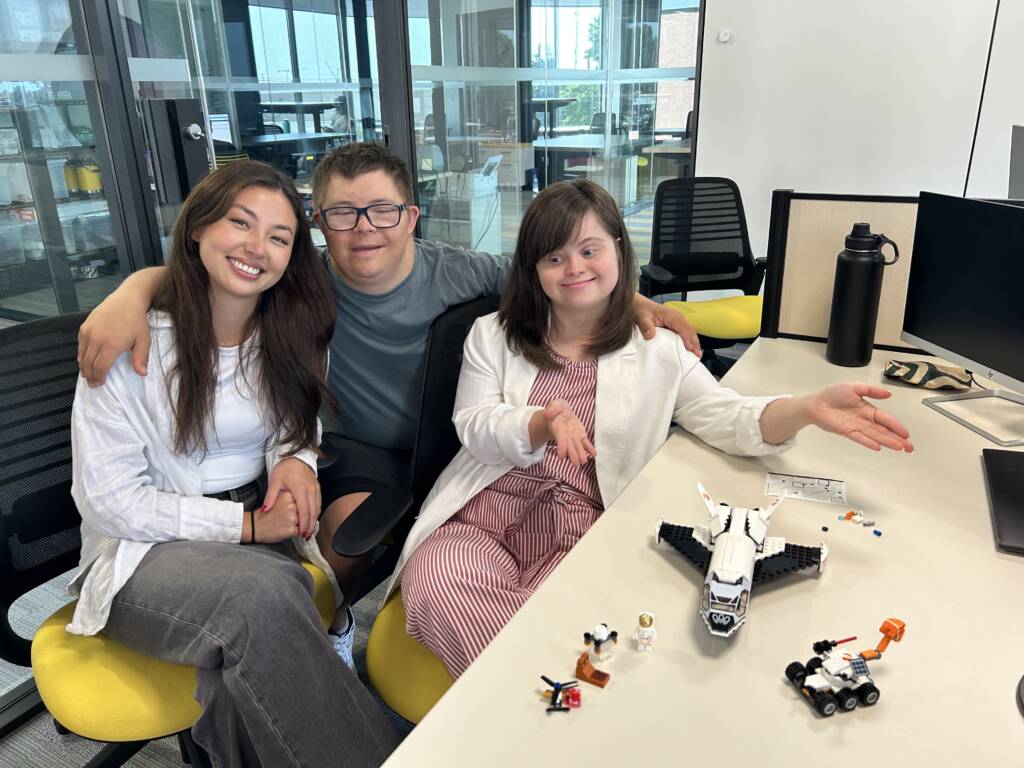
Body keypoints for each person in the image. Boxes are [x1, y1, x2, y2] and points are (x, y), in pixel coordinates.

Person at [74, 142, 700, 663]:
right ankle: (332, 634)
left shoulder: (463, 272)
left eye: (381, 210)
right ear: (319, 224)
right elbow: (218, 269)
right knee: (340, 539)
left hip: (456, 445)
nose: (364, 228)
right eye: (342, 214)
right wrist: (134, 288)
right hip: (350, 448)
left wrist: (634, 304)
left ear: (413, 216)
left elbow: (564, 276)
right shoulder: (301, 278)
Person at [391, 179, 914, 678]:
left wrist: (805, 408)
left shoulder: (657, 351)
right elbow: (475, 426)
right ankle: (528, 701)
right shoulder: (494, 335)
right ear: (534, 268)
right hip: (485, 508)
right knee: (435, 581)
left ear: (619, 248)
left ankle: (515, 707)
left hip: (583, 522)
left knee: (575, 616)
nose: (574, 267)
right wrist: (540, 422)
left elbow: (727, 419)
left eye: (590, 250)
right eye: (554, 257)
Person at [68, 161, 398, 767]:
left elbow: (293, 425)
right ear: (197, 227)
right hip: (142, 553)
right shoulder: (130, 341)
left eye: (278, 237)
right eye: (239, 223)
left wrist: (296, 458)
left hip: (258, 524)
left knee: (235, 683)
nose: (257, 247)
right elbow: (110, 502)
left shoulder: (290, 329)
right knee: (266, 597)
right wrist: (244, 529)